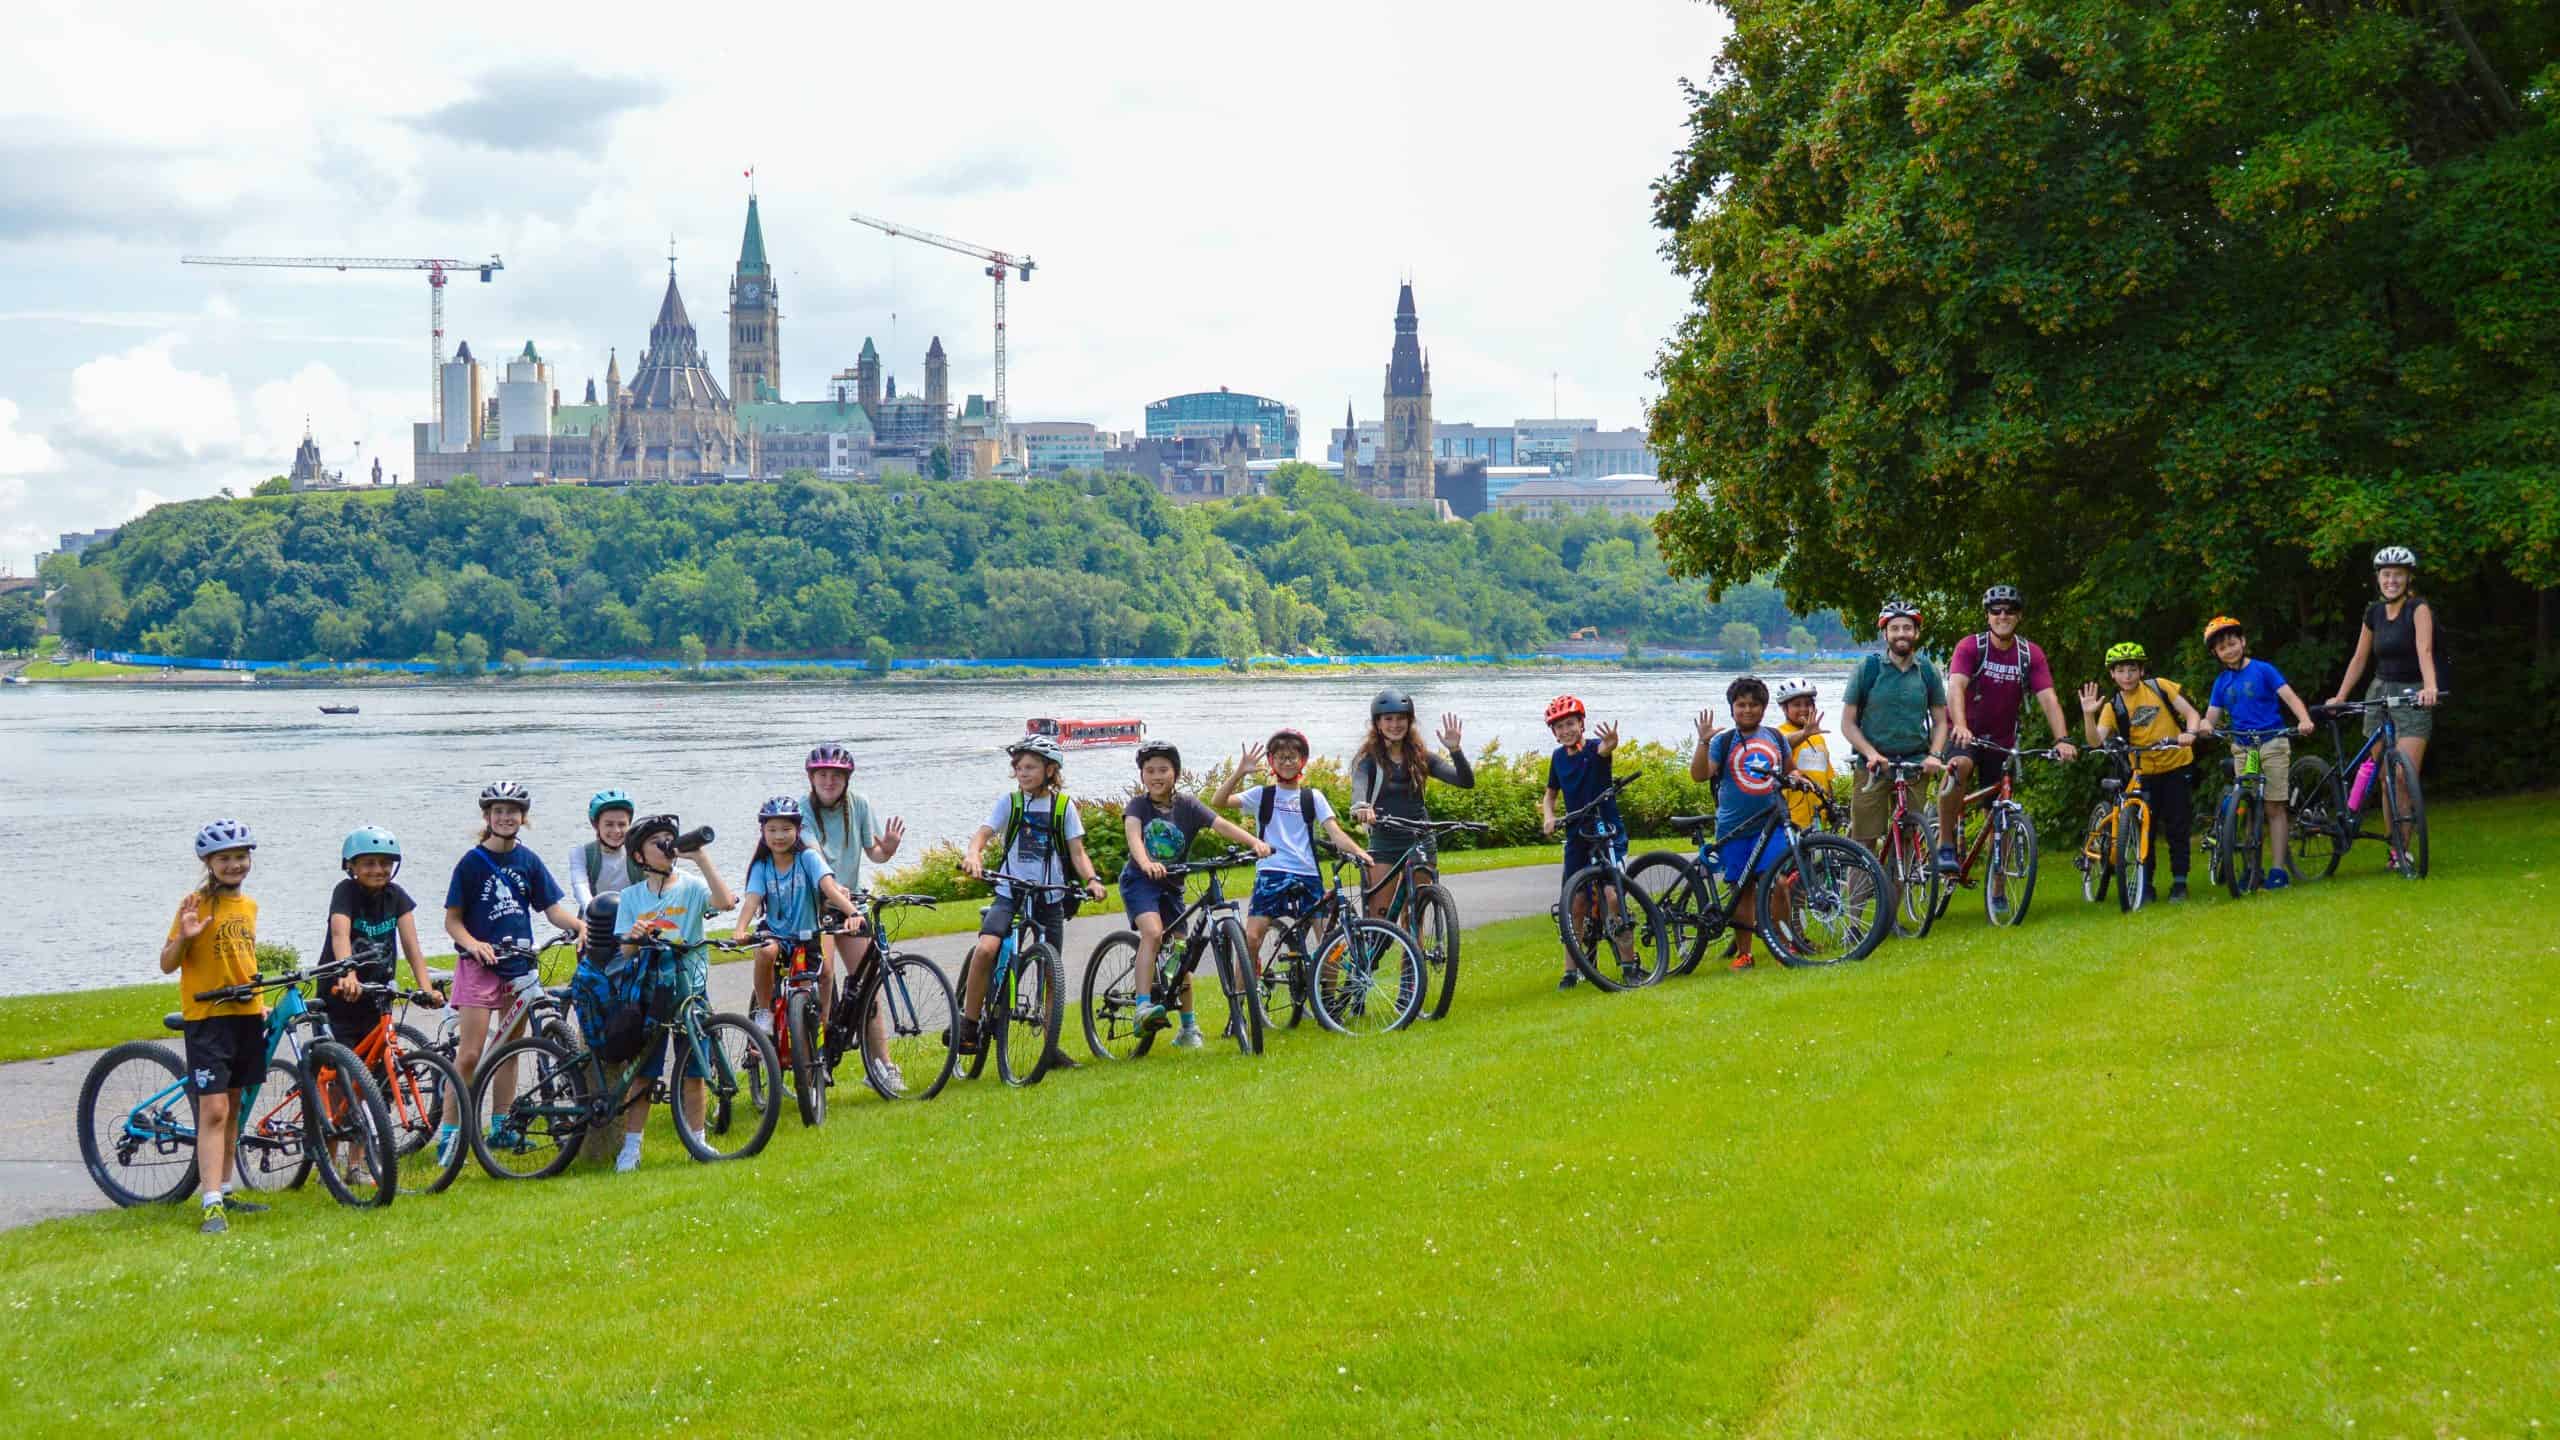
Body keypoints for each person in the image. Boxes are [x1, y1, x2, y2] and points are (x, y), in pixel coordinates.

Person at [438, 780, 586, 1166]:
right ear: (487, 817)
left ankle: (501, 1126)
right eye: (498, 811)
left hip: (519, 966)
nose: (506, 817)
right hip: (479, 968)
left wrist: (578, 925)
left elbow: (551, 909)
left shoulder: (528, 861)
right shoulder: (471, 863)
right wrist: (473, 944)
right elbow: (453, 921)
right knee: (470, 1054)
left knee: (508, 1049)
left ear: (523, 817)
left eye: (513, 812)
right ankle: (450, 1133)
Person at [956, 735, 1108, 1059]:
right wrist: (973, 855)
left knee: (1052, 971)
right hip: (1009, 892)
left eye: (1031, 767)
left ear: (1050, 770)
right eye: (1019, 767)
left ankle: (1049, 1049)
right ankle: (968, 1023)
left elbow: (1077, 852)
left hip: (1048, 897)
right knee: (986, 949)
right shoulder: (1009, 803)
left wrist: (1092, 880)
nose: (1023, 773)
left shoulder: (1063, 807)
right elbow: (982, 835)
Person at [1120, 740, 1270, 1048]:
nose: (1156, 776)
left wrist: (1254, 843)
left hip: (1172, 886)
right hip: (1140, 882)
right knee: (1153, 933)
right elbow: (1134, 837)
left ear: (1176, 773)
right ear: (1142, 775)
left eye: (1163, 770)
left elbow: (1221, 824)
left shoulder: (1187, 805)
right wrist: (1146, 863)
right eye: (1150, 771)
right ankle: (1142, 1007)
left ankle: (1188, 1028)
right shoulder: (1138, 806)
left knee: (1181, 954)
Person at [610, 813, 735, 1172]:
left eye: (670, 839)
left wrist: (700, 857)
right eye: (657, 842)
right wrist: (635, 935)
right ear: (639, 856)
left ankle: (698, 1141)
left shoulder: (691, 886)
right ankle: (631, 1148)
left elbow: (725, 902)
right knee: (645, 1073)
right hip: (652, 995)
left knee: (694, 1070)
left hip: (690, 990)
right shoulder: (631, 896)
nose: (666, 846)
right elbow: (625, 951)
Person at [161, 819, 269, 1234]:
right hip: (208, 1017)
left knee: (235, 1104)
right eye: (224, 859)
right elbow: (167, 963)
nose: (234, 865)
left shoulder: (250, 906)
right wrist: (186, 936)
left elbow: (244, 959)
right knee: (214, 1109)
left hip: (245, 1015)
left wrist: (258, 1002)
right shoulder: (194, 904)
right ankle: (210, 1205)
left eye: (240, 857)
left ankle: (224, 1189)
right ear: (209, 863)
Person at [1211, 727, 1373, 994]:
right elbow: (1219, 801)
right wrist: (1240, 772)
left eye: (1292, 757)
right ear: (1272, 761)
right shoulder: (1262, 794)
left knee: (1330, 942)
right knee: (1251, 939)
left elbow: (1335, 832)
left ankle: (1327, 1002)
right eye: (1281, 757)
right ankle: (1240, 1004)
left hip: (1308, 874)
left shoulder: (1313, 797)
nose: (1287, 762)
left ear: (1302, 761)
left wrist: (1359, 852)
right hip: (1271, 872)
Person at [1943, 585, 2079, 867]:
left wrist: (2062, 739)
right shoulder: (1971, 646)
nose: (2003, 615)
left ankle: (1999, 884)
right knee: (1960, 766)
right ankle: (1945, 843)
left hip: (2001, 739)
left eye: (2010, 610)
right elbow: (1956, 687)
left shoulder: (2030, 654)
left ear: (2019, 616)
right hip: (1964, 732)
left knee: (1999, 810)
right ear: (1987, 615)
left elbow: (2048, 699)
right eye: (1996, 610)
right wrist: (1961, 725)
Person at [802, 743, 907, 1085]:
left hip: (852, 906)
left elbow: (874, 852)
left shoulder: (858, 804)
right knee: (824, 976)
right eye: (822, 775)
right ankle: (816, 1058)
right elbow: (814, 857)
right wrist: (833, 887)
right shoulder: (802, 810)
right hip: (817, 906)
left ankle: (882, 1067)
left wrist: (888, 849)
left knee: (867, 985)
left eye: (836, 776)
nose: (829, 781)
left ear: (846, 779)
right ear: (812, 778)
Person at [2080, 642, 2208, 901]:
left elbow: (2191, 714)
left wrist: (2190, 733)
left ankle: (2180, 882)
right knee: (2142, 830)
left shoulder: (2159, 687)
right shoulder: (2113, 706)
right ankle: (2145, 884)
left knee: (2177, 826)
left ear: (2141, 671)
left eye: (2132, 669)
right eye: (2120, 671)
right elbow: (2095, 741)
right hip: (2142, 771)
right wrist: (2088, 716)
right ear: (2112, 675)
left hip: (2176, 764)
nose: (2127, 676)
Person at [1689, 677, 1799, 971]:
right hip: (1734, 828)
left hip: (1770, 826)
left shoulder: (1775, 738)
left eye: (1754, 705)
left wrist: (1799, 779)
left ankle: (1783, 947)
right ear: (1732, 708)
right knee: (1742, 889)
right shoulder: (1722, 742)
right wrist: (1703, 741)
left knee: (1778, 883)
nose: (1747, 710)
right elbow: (1699, 775)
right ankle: (1745, 953)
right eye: (1741, 705)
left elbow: (1791, 770)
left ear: (1763, 708)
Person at [2198, 616, 2317, 888]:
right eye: (2222, 648)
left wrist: (2303, 719)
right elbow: (2211, 716)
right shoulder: (2221, 682)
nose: (2229, 650)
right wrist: (2205, 726)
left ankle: (2277, 870)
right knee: (2249, 805)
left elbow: (2289, 696)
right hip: (2244, 748)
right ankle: (2252, 869)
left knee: (2274, 806)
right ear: (2216, 654)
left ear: (2243, 642)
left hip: (2272, 743)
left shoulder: (2263, 670)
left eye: (2232, 643)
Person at [735, 795, 858, 1039]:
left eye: (786, 829)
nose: (779, 836)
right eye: (772, 829)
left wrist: (853, 913)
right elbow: (752, 900)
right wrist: (740, 928)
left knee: (811, 987)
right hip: (775, 933)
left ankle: (817, 1030)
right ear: (762, 832)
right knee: (766, 952)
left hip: (806, 935)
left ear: (798, 830)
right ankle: (764, 1012)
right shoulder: (762, 866)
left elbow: (829, 888)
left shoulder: (808, 858)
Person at [317, 827, 442, 1064]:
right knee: (340, 1068)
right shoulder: (345, 892)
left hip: (377, 995)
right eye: (369, 863)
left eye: (385, 863)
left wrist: (426, 988)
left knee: (377, 1069)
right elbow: (340, 934)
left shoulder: (397, 896)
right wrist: (348, 974)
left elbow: (412, 946)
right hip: (341, 994)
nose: (378, 869)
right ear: (351, 866)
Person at [1838, 600, 1949, 859]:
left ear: (1916, 633)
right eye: (1895, 628)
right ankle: (1860, 887)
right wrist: (1870, 753)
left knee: (1909, 837)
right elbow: (1848, 723)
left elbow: (1941, 722)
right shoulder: (1868, 669)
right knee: (1863, 841)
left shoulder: (1927, 671)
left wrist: (1935, 755)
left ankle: (1900, 886)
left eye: (1907, 628)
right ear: (1885, 633)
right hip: (1873, 766)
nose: (1901, 634)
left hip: (1914, 765)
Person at [1349, 688, 1475, 916]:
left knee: (1415, 912)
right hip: (1385, 841)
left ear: (1409, 722)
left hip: (1420, 839)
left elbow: (1465, 781)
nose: (1395, 724)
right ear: (1378, 724)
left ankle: (1415, 942)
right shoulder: (1368, 761)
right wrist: (1362, 807)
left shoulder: (1421, 757)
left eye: (1401, 718)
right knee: (1379, 915)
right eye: (1388, 719)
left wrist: (1455, 750)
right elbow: (1359, 786)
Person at [2326, 545, 2441, 785]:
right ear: (2378, 578)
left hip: (2411, 693)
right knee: (2386, 778)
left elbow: (2425, 650)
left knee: (2403, 777)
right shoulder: (2374, 612)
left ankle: (2408, 810)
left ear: (2409, 578)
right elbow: (2359, 658)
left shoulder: (2417, 608)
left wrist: (2430, 686)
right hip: (2378, 693)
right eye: (2386, 574)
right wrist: (2340, 696)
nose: (2392, 580)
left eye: (2398, 574)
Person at [1537, 695, 1627, 990]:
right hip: (1577, 834)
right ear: (1554, 732)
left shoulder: (1594, 749)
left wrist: (1610, 744)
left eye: (1570, 724)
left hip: (1605, 830)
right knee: (1575, 903)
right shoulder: (1558, 758)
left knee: (1612, 896)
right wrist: (1549, 816)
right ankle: (1571, 970)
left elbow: (1604, 751)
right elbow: (1550, 794)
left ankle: (1630, 964)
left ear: (1581, 724)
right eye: (1559, 727)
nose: (1566, 731)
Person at [1769, 678, 1838, 831]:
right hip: (1791, 817)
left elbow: (1826, 777)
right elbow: (1782, 745)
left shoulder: (1818, 737)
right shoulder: (1778, 734)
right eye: (1797, 705)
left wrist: (1831, 805)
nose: (1804, 709)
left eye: (1808, 704)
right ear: (1784, 708)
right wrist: (1804, 734)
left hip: (1818, 816)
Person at [566, 790, 638, 916]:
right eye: (609, 824)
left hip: (634, 919)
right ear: (596, 825)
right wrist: (593, 912)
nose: (616, 830)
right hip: (594, 919)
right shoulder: (580, 853)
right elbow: (580, 886)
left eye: (622, 824)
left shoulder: (640, 852)